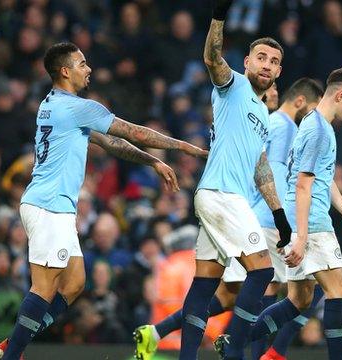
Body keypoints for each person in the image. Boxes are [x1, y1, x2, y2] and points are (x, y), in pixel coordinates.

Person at [0, 41, 206, 360]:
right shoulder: (78, 108)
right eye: (81, 64)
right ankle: (13, 354)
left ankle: (14, 343)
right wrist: (182, 147)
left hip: (52, 206)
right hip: (49, 206)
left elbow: (111, 143)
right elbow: (134, 132)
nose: (88, 68)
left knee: (75, 283)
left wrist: (153, 162)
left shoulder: (52, 105)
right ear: (65, 71)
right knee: (44, 288)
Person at [133, 78, 324, 360]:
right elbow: (273, 174)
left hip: (243, 211)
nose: (273, 91)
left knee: (228, 296)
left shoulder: (261, 123)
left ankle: (157, 332)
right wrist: (285, 218)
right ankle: (257, 353)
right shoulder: (281, 126)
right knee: (299, 283)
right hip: (255, 216)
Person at [169, 1, 293, 359]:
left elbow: (261, 167)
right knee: (263, 271)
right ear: (248, 63)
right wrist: (218, 17)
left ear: (278, 71)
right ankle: (235, 347)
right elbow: (211, 58)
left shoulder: (261, 113)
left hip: (219, 198)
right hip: (223, 195)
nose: (266, 65)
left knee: (205, 283)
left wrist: (280, 215)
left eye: (273, 61)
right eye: (261, 58)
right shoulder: (233, 86)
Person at [249, 67, 342, 360]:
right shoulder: (319, 131)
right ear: (340, 95)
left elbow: (323, 178)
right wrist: (302, 238)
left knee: (299, 299)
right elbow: (304, 185)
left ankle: (235, 340)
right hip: (312, 222)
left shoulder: (312, 124)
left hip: (299, 217)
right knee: (339, 290)